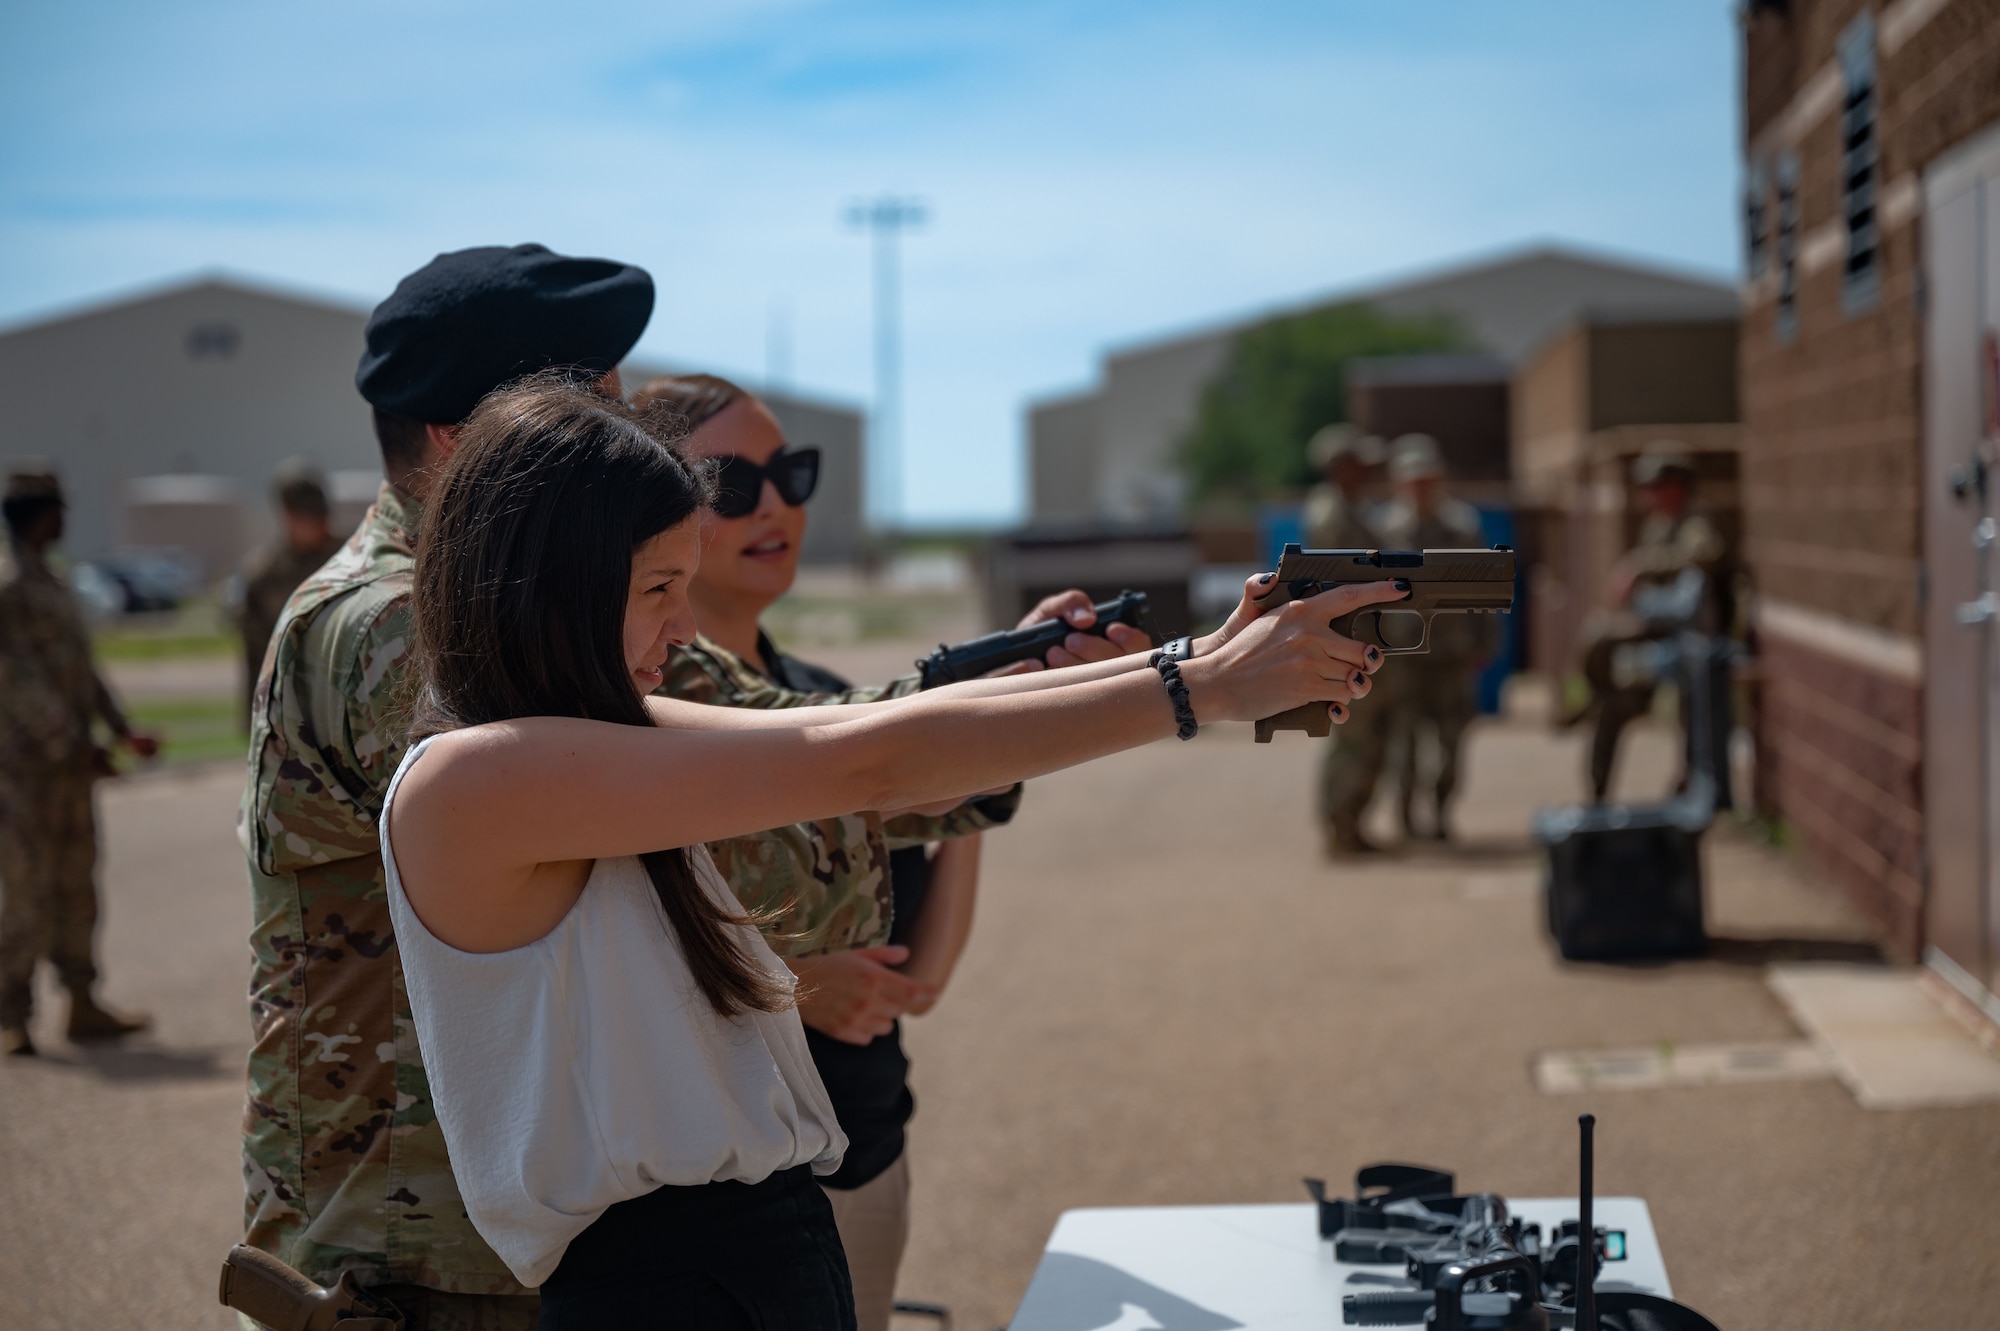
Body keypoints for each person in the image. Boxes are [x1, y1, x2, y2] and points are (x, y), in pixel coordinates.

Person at [377, 375, 1399, 1327]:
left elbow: (880, 748)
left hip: (739, 1251)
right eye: (655, 588)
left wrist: (1198, 659)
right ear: (557, 584)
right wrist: (1200, 692)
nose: (682, 624)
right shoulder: (474, 780)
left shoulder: (579, 746)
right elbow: (862, 757)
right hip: (665, 1273)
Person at [634, 372, 1152, 1330]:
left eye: (793, 473)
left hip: (862, 1131)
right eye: (733, 483)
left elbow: (920, 967)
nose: (778, 504)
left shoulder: (842, 703)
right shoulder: (636, 714)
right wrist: (790, 984)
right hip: (719, 1177)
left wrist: (987, 721)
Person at [240, 244, 663, 1328]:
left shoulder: (520, 598)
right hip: (412, 1256)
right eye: (586, 401)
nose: (624, 426)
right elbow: (687, 829)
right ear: (456, 439)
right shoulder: (393, 627)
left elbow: (747, 732)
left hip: (493, 1230)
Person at [0, 468, 160, 1057]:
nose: (66, 520)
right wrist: (74, 743)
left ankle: (81, 1002)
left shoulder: (52, 582)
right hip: (22, 775)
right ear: (40, 515)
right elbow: (15, 683)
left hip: (66, 769)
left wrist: (120, 729)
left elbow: (79, 671)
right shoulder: (9, 587)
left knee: (76, 885)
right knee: (25, 889)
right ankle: (13, 1014)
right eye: (59, 510)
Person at [1568, 450, 1728, 802]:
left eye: (1656, 486)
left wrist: (1643, 565)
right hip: (1657, 633)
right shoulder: (1657, 527)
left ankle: (1693, 784)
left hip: (1692, 640)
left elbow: (1703, 558)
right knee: (1609, 690)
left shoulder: (1695, 524)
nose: (1649, 495)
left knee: (1692, 713)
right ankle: (1597, 786)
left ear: (1677, 487)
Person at [1379, 435, 1496, 842]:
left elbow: (1485, 591)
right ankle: (1407, 818)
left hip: (1452, 653)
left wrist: (1485, 643)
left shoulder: (1464, 528)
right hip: (1403, 656)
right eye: (1412, 481)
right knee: (1405, 744)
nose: (1420, 489)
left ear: (1440, 479)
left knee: (1452, 741)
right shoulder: (1385, 530)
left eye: (1427, 480)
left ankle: (1442, 811)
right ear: (1399, 485)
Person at [1302, 425, 1397, 857]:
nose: (1368, 472)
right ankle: (1340, 826)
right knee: (1354, 737)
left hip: (1358, 640)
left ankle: (1350, 825)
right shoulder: (1334, 515)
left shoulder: (1351, 510)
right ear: (1341, 467)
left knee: (1367, 738)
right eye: (1359, 464)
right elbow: (1342, 581)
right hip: (1346, 643)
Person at [231, 462, 343, 723]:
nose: (323, 525)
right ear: (288, 516)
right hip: (290, 712)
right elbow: (257, 658)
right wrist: (257, 719)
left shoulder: (348, 557)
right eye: (312, 518)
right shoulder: (264, 576)